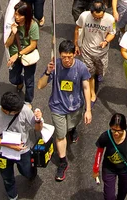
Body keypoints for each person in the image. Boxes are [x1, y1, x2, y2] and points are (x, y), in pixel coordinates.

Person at [37, 40, 92, 182]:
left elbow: (86, 87)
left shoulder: (81, 67)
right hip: (57, 107)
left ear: (75, 53)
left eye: (70, 57)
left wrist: (88, 110)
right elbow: (40, 86)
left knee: (71, 125)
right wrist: (48, 72)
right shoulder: (54, 66)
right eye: (64, 57)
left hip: (76, 107)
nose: (67, 60)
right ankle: (63, 162)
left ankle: (72, 129)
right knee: (61, 135)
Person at [0, 91, 43, 200]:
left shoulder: (23, 109)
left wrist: (38, 120)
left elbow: (37, 128)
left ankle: (31, 175)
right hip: (3, 153)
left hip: (23, 150)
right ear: (6, 110)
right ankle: (12, 196)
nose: (20, 111)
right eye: (16, 111)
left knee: (28, 172)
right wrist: (10, 146)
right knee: (7, 177)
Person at [93, 113, 127, 199]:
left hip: (125, 170)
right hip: (109, 169)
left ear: (124, 128)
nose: (116, 133)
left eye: (119, 131)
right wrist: (95, 169)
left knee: (123, 192)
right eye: (113, 130)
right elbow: (99, 153)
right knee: (109, 197)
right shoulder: (105, 136)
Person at [74, 1, 116, 104]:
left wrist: (106, 41)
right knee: (89, 74)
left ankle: (98, 73)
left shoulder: (110, 19)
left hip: (101, 52)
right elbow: (77, 29)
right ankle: (92, 94)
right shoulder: (84, 16)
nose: (97, 19)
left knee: (100, 71)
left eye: (100, 17)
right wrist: (76, 45)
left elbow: (112, 33)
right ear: (91, 12)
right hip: (87, 50)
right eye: (95, 17)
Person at [5, 1, 40, 101]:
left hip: (27, 56)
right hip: (15, 56)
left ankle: (28, 100)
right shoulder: (13, 24)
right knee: (13, 78)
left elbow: (33, 45)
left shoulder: (33, 26)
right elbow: (7, 44)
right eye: (16, 14)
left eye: (20, 15)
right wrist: (13, 33)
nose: (17, 17)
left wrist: (18, 55)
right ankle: (20, 82)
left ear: (26, 15)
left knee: (29, 81)